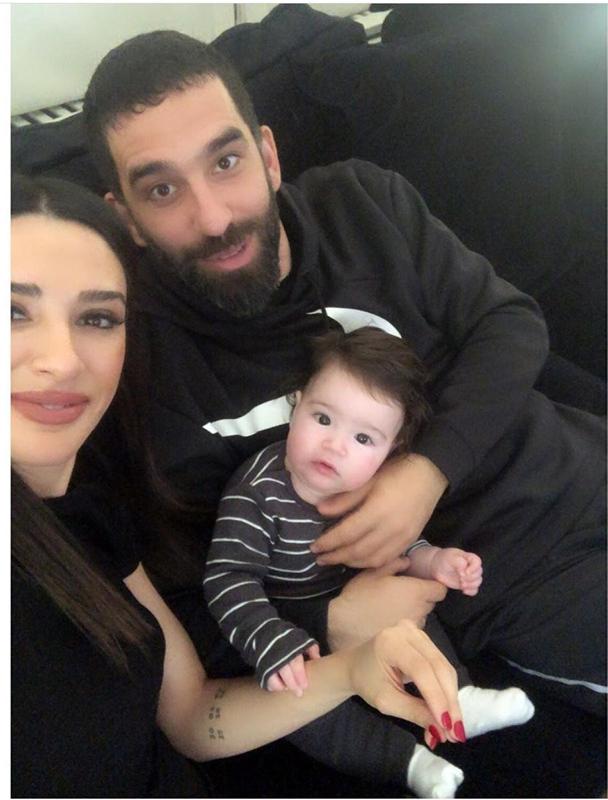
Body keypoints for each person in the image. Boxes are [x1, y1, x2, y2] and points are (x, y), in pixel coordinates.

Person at [80, 22, 606, 736]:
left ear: (268, 155)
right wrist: (323, 618)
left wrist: (425, 473)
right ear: (127, 220)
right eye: (163, 188)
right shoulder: (138, 367)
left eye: (227, 161)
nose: (214, 217)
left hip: (580, 457)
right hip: (523, 579)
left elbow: (510, 324)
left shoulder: (362, 201)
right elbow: (194, 594)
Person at [10, 173, 468, 797]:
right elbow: (231, 580)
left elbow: (193, 718)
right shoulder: (255, 489)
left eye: (97, 317)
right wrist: (321, 622)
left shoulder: (94, 510)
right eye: (14, 311)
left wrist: (352, 669)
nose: (61, 359)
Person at [204, 326, 534, 797]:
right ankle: (409, 763)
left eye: (363, 437)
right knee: (298, 705)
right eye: (323, 419)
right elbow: (228, 577)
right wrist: (269, 639)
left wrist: (434, 560)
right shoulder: (256, 493)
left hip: (360, 597)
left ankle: (459, 698)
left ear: (390, 450)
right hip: (283, 622)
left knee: (410, 611)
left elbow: (397, 545)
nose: (335, 445)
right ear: (297, 403)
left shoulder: (368, 484)